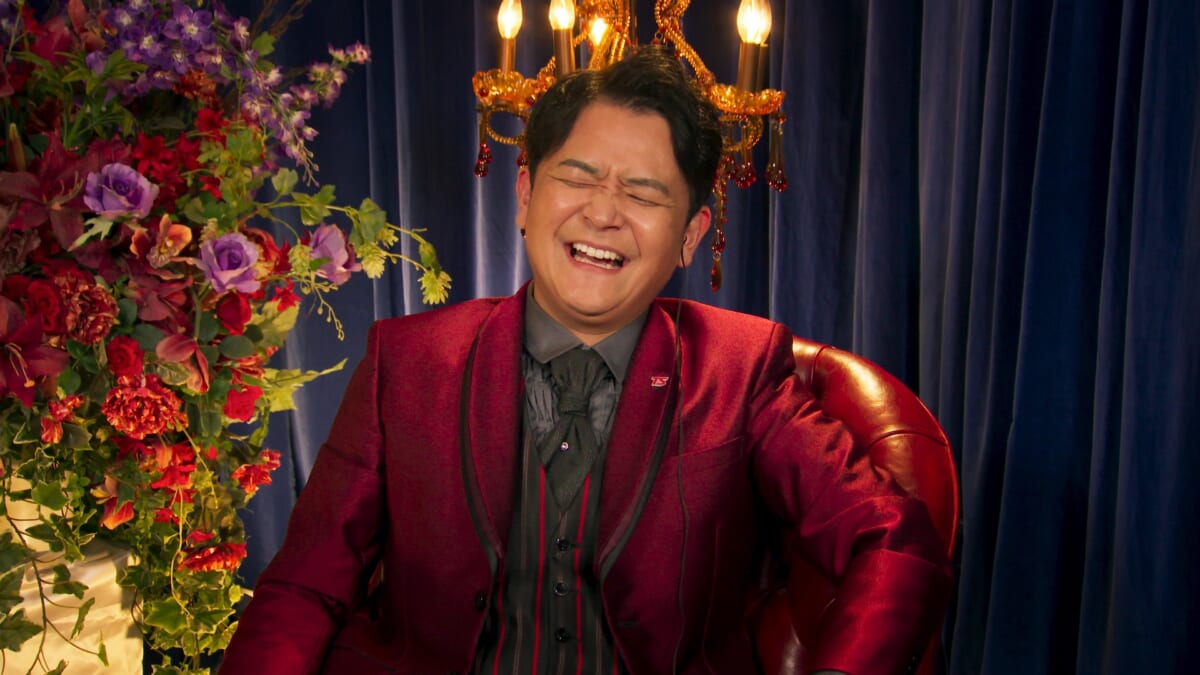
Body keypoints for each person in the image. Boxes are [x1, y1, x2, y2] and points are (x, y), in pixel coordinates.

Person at [219, 47, 952, 675]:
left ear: (691, 235)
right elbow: (304, 588)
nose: (603, 213)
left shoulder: (743, 367)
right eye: (577, 176)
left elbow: (895, 541)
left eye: (644, 193)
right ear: (525, 194)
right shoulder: (404, 361)